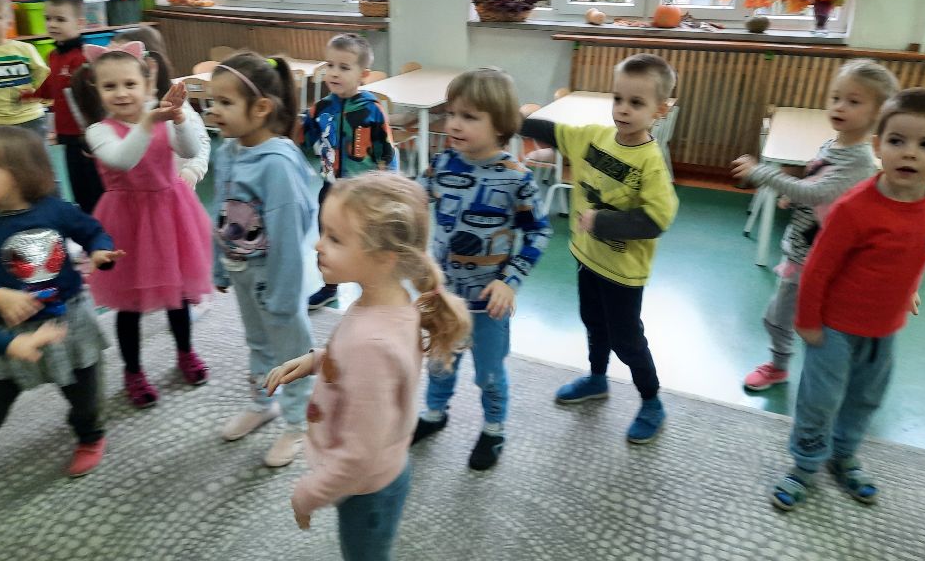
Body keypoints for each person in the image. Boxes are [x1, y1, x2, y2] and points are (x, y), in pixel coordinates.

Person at [265, 172, 470, 561]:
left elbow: (358, 455)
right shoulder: (393, 305)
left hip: (366, 489)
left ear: (384, 257)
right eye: (323, 232)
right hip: (383, 471)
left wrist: (307, 494)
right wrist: (316, 361)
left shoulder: (370, 343)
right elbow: (366, 372)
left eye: (335, 238)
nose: (318, 245)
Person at [771, 87, 925, 511]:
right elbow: (818, 268)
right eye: (897, 141)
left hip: (885, 327)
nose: (910, 153)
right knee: (820, 400)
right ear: (877, 146)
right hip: (833, 327)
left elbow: (920, 247)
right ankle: (804, 466)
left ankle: (844, 456)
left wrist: (909, 289)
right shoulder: (855, 208)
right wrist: (808, 322)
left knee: (867, 397)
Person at [520, 53, 678, 444]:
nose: (623, 109)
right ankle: (597, 378)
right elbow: (553, 132)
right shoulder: (594, 136)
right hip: (587, 257)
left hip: (623, 272)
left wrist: (602, 221)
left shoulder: (650, 162)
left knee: (627, 339)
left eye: (636, 103)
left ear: (659, 110)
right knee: (592, 321)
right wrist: (511, 119)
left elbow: (657, 220)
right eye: (618, 98)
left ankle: (651, 400)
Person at [412, 68, 551, 470]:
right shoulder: (441, 164)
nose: (454, 124)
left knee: (488, 373)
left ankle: (494, 428)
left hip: (488, 304)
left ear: (500, 125)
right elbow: (413, 199)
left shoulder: (516, 178)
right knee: (439, 361)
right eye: (452, 114)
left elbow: (539, 232)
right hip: (443, 295)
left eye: (469, 117)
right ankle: (434, 414)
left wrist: (511, 281)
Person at [732, 59, 900, 391]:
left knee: (809, 324)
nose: (839, 106)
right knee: (781, 317)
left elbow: (817, 191)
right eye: (836, 98)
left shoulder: (859, 161)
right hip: (801, 252)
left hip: (821, 261)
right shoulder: (833, 145)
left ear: (878, 113)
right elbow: (819, 186)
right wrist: (794, 198)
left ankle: (814, 375)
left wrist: (761, 172)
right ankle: (782, 366)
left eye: (853, 101)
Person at [71, 41, 212, 409]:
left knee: (178, 294)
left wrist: (179, 119)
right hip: (126, 221)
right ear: (97, 90)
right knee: (129, 303)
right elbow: (123, 160)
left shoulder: (158, 116)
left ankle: (185, 352)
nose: (121, 93)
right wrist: (150, 121)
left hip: (171, 212)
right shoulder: (98, 131)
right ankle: (133, 371)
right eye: (110, 86)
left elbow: (189, 151)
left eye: (130, 84)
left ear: (147, 84)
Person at [0, 126, 123, 476]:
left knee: (85, 394)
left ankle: (90, 436)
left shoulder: (55, 210)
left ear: (20, 174)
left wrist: (100, 251)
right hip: (7, 332)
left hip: (68, 322)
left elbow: (93, 231)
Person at [209, 52, 318, 468]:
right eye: (213, 102)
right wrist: (219, 266)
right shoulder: (229, 151)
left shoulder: (277, 164)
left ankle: (299, 423)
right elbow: (220, 210)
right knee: (257, 342)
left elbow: (290, 232)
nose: (214, 111)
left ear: (261, 109)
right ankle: (262, 402)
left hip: (275, 277)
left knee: (292, 352)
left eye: (225, 102)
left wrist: (285, 295)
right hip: (241, 270)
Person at [302, 33, 396, 311]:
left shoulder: (372, 110)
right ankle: (329, 287)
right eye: (330, 65)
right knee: (327, 239)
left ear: (363, 74)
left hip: (363, 193)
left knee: (364, 242)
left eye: (344, 67)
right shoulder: (319, 109)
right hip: (331, 188)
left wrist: (387, 189)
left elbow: (386, 151)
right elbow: (305, 139)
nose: (334, 73)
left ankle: (371, 291)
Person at [112, 26, 210, 190]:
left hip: (172, 190)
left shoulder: (173, 104)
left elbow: (201, 142)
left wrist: (192, 171)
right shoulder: (120, 105)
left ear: (150, 66)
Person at [32, 0, 104, 213]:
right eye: (48, 18)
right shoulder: (53, 56)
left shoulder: (82, 58)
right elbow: (51, 86)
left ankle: (103, 225)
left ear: (80, 23)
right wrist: (27, 95)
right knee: (78, 187)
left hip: (87, 134)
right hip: (67, 134)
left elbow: (94, 97)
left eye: (60, 19)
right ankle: (88, 224)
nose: (52, 24)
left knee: (96, 188)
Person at [0, 0, 49, 137]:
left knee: (35, 151)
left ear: (9, 24)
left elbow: (42, 73)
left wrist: (34, 92)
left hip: (29, 116)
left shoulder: (25, 49)